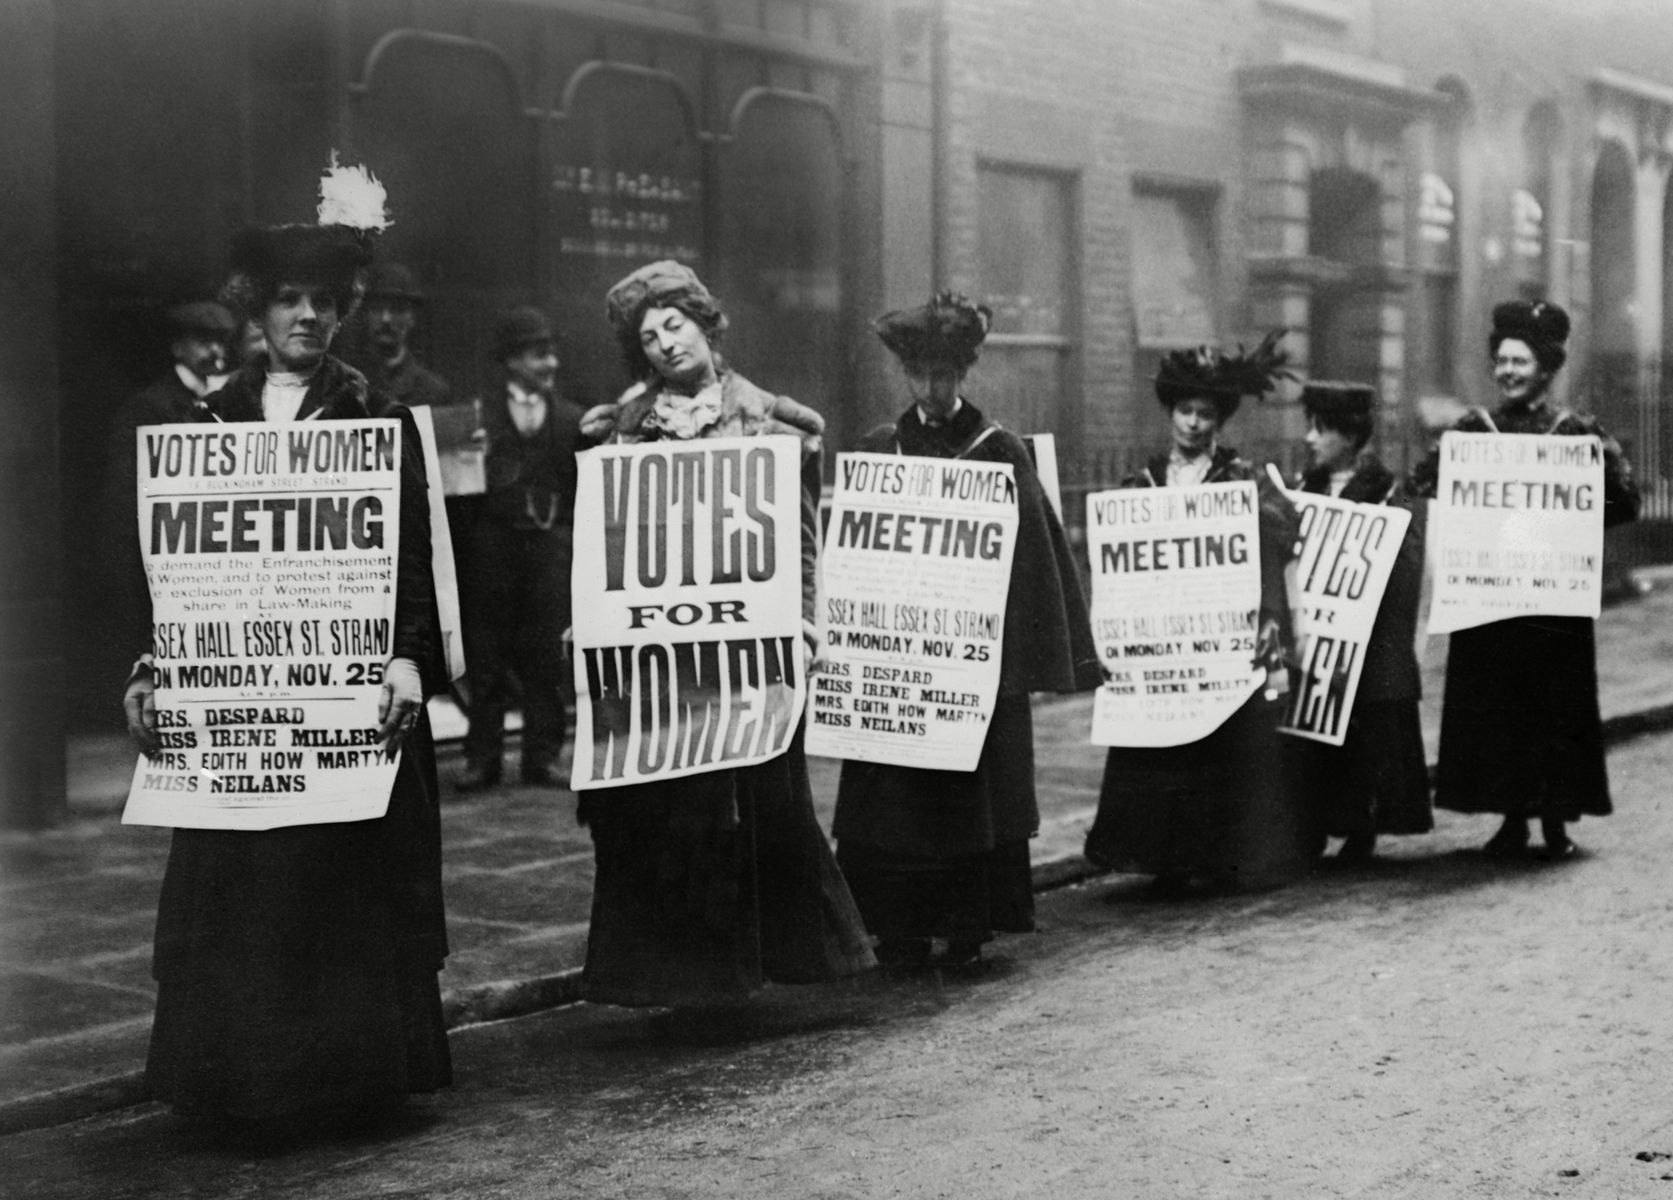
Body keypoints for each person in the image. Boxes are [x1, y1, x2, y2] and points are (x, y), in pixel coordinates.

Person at [119, 160, 451, 1133]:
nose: (305, 316)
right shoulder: (203, 424)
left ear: (344, 310)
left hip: (343, 697)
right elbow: (169, 569)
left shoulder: (378, 421)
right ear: (255, 313)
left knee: (337, 884)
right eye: (285, 300)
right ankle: (238, 1078)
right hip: (240, 703)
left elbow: (415, 562)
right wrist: (149, 666)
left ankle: (343, 1083)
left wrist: (407, 657)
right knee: (245, 884)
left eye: (323, 301)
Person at [577, 260, 874, 1007]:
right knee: (666, 812)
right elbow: (605, 543)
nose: (665, 344)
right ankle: (682, 979)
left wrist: (806, 619)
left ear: (706, 325)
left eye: (674, 325)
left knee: (756, 807)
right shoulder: (623, 430)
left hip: (748, 655)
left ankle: (755, 969)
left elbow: (801, 539)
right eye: (648, 337)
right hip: (661, 663)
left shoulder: (774, 424)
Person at [831, 292, 1102, 969]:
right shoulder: (879, 449)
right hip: (899, 659)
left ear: (964, 375)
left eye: (946, 375)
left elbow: (1036, 563)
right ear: (906, 377)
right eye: (920, 375)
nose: (933, 388)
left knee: (965, 800)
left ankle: (965, 926)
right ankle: (897, 929)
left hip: (971, 665)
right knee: (897, 804)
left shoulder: (998, 451)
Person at [1408, 300, 1640, 859]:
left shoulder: (1576, 433)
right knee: (1500, 708)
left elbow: (1625, 500)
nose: (1508, 371)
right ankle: (1512, 819)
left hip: (1552, 602)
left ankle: (1557, 820)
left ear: (1546, 368)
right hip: (1490, 598)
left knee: (1553, 707)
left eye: (1521, 361)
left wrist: (1577, 513)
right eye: (1502, 360)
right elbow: (1425, 480)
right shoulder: (1472, 430)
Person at [1082, 333, 1310, 893]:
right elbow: (1114, 560)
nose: (1192, 424)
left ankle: (1218, 855)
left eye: (1205, 414)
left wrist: (1259, 512)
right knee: (1163, 747)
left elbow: (1286, 531)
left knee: (1220, 743)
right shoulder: (1143, 483)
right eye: (1184, 411)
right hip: (1162, 640)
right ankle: (1163, 856)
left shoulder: (1241, 480)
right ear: (1170, 412)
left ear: (1219, 420)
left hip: (1219, 640)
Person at [1290, 381, 1431, 860]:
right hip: (1314, 634)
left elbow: (1404, 568)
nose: (1309, 439)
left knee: (1360, 735)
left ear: (1349, 438)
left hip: (1364, 642)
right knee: (1306, 731)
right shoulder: (1303, 486)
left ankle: (1358, 824)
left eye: (1320, 430)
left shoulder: (1386, 492)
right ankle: (1309, 822)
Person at [454, 307, 582, 791]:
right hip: (493, 551)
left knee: (547, 657)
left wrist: (564, 538)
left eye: (551, 353)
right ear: (511, 361)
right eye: (537, 354)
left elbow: (581, 489)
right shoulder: (477, 418)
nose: (550, 363)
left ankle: (542, 757)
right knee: (485, 656)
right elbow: (458, 491)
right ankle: (482, 757)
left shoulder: (571, 419)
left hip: (549, 552)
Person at [104, 300, 238, 653]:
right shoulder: (149, 407)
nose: (214, 351)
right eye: (202, 341)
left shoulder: (230, 404)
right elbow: (124, 507)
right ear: (177, 346)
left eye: (220, 341)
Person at [351, 260, 451, 413]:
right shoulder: (345, 384)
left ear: (412, 318)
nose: (386, 319)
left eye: (397, 310)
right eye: (377, 309)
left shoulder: (433, 391)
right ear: (366, 315)